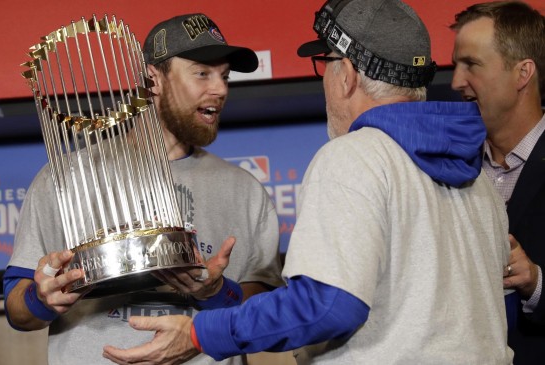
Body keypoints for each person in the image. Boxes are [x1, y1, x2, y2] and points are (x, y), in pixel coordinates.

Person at [102, 0, 514, 364]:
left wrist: (199, 333)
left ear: (348, 73)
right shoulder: (478, 178)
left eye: (326, 64)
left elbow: (329, 306)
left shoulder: (355, 156)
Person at [3, 13, 284, 365]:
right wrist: (40, 299)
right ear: (154, 79)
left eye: (225, 76)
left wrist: (216, 292)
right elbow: (17, 310)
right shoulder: (64, 177)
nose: (221, 89)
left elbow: (266, 313)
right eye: (202, 73)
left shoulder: (245, 190)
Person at [451, 2, 545, 364]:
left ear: (522, 73)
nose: (457, 81)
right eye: (457, 64)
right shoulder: (447, 169)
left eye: (471, 64)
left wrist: (536, 282)